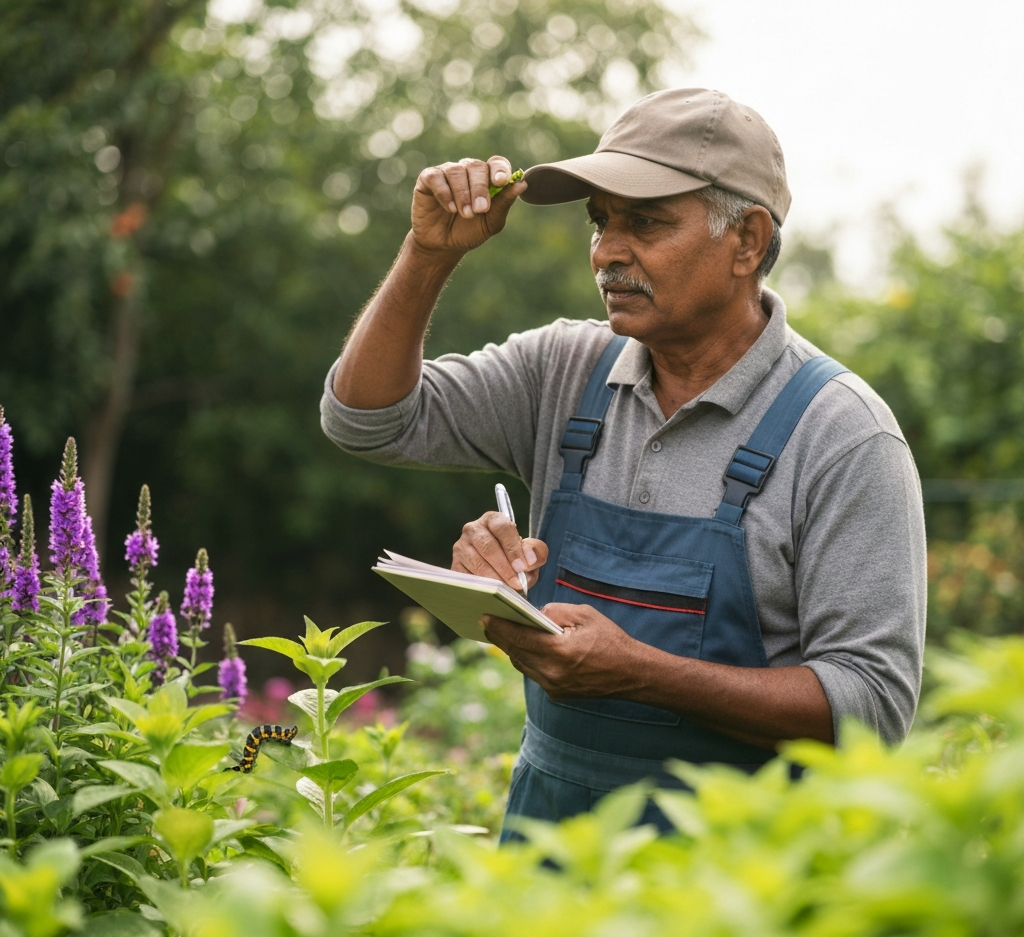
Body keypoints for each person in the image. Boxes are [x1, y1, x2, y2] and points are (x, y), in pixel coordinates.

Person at [320, 88, 927, 835]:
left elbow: (871, 706)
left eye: (645, 222)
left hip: (743, 887)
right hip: (547, 850)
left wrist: (644, 674)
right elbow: (366, 419)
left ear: (747, 240)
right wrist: (430, 254)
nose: (608, 252)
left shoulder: (841, 435)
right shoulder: (563, 370)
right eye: (600, 221)